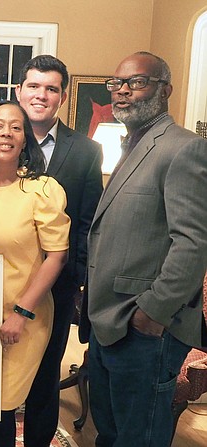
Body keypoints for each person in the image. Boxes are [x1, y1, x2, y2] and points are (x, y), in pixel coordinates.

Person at [83, 51, 207, 446]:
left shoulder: (183, 149)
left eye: (136, 82)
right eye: (116, 83)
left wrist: (152, 312)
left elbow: (193, 243)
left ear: (165, 89)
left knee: (139, 439)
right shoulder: (132, 146)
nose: (122, 91)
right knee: (111, 433)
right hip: (107, 323)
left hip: (146, 329)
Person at [0, 100, 69, 447]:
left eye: (15, 127)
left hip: (25, 315)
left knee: (3, 403)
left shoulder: (41, 189)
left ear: (25, 139)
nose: (6, 133)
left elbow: (57, 256)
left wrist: (21, 313)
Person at [15, 55, 103, 447]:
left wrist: (81, 279)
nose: (41, 95)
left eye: (51, 88)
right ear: (19, 90)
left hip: (59, 283)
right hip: (3, 279)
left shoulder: (86, 151)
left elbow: (87, 222)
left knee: (46, 374)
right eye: (33, 86)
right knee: (1, 368)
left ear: (62, 97)